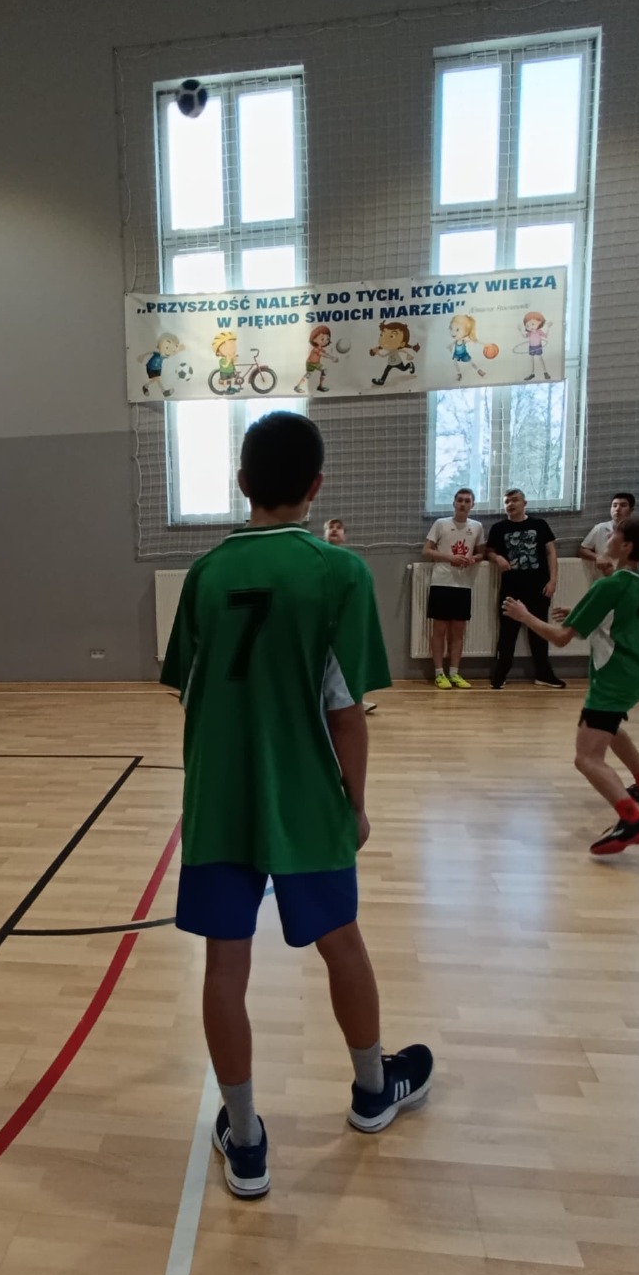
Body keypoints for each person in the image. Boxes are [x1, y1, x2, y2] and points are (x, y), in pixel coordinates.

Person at [161, 411, 430, 1200]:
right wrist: (355, 801)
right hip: (306, 794)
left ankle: (245, 1139)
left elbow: (189, 689)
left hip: (219, 798)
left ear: (241, 482)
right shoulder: (339, 572)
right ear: (317, 486)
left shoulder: (205, 575)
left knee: (224, 964)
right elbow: (346, 708)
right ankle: (373, 1091)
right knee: (342, 943)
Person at [502, 516, 639, 856]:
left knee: (587, 758)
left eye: (616, 533)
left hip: (614, 677)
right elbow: (617, 617)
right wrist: (583, 611)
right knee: (612, 728)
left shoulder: (610, 585)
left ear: (626, 546)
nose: (610, 535)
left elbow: (561, 638)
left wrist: (525, 616)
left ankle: (632, 821)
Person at [487, 487, 565, 689]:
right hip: (512, 588)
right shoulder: (498, 528)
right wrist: (497, 558)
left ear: (524, 503)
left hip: (539, 587)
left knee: (539, 632)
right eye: (507, 501)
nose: (510, 504)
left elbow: (551, 553)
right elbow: (489, 551)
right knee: (508, 633)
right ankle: (500, 675)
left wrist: (553, 580)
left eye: (514, 500)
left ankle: (544, 675)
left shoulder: (539, 525)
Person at [423, 488, 483, 689]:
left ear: (472, 505)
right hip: (441, 582)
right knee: (439, 630)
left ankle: (455, 673)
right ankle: (439, 673)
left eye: (467, 501)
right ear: (454, 503)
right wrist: (450, 558)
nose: (463, 504)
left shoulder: (477, 527)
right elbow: (426, 550)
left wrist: (473, 559)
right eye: (460, 500)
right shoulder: (441, 523)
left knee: (458, 632)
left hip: (463, 584)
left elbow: (482, 553)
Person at [323, 519, 375, 713]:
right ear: (324, 534)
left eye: (339, 528)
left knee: (348, 663)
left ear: (344, 536)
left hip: (342, 620)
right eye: (331, 527)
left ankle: (354, 700)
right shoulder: (318, 558)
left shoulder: (351, 562)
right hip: (323, 619)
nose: (334, 530)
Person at [579, 491, 637, 581]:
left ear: (631, 510)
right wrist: (598, 557)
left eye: (623, 505)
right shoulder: (600, 528)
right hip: (603, 578)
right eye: (614, 505)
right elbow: (582, 550)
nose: (617, 509)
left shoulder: (636, 531)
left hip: (627, 579)